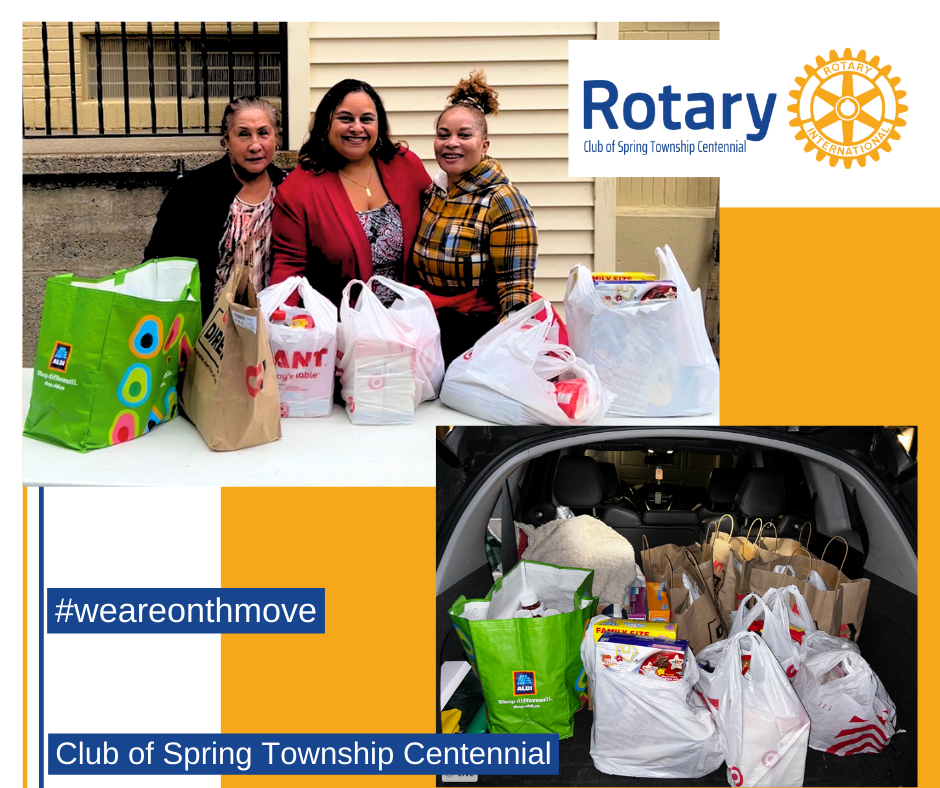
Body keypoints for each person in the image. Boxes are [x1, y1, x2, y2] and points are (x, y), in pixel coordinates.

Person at [410, 70, 538, 364]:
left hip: (476, 335)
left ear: (484, 145)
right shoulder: (434, 193)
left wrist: (511, 352)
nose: (451, 142)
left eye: (464, 135)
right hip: (430, 327)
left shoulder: (503, 201)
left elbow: (515, 287)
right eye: (443, 135)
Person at [270, 79, 431, 308]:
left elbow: (439, 221)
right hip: (341, 329)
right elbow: (289, 267)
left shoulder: (406, 165)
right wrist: (280, 318)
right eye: (345, 118)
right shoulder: (298, 190)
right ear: (326, 123)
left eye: (366, 119)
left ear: (379, 125)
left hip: (409, 323)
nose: (357, 128)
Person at [143, 96, 285, 322]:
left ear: (276, 138)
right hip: (208, 329)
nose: (255, 145)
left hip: (273, 325)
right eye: (243, 134)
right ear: (226, 140)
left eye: (263, 133)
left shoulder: (288, 189)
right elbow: (159, 261)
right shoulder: (193, 190)